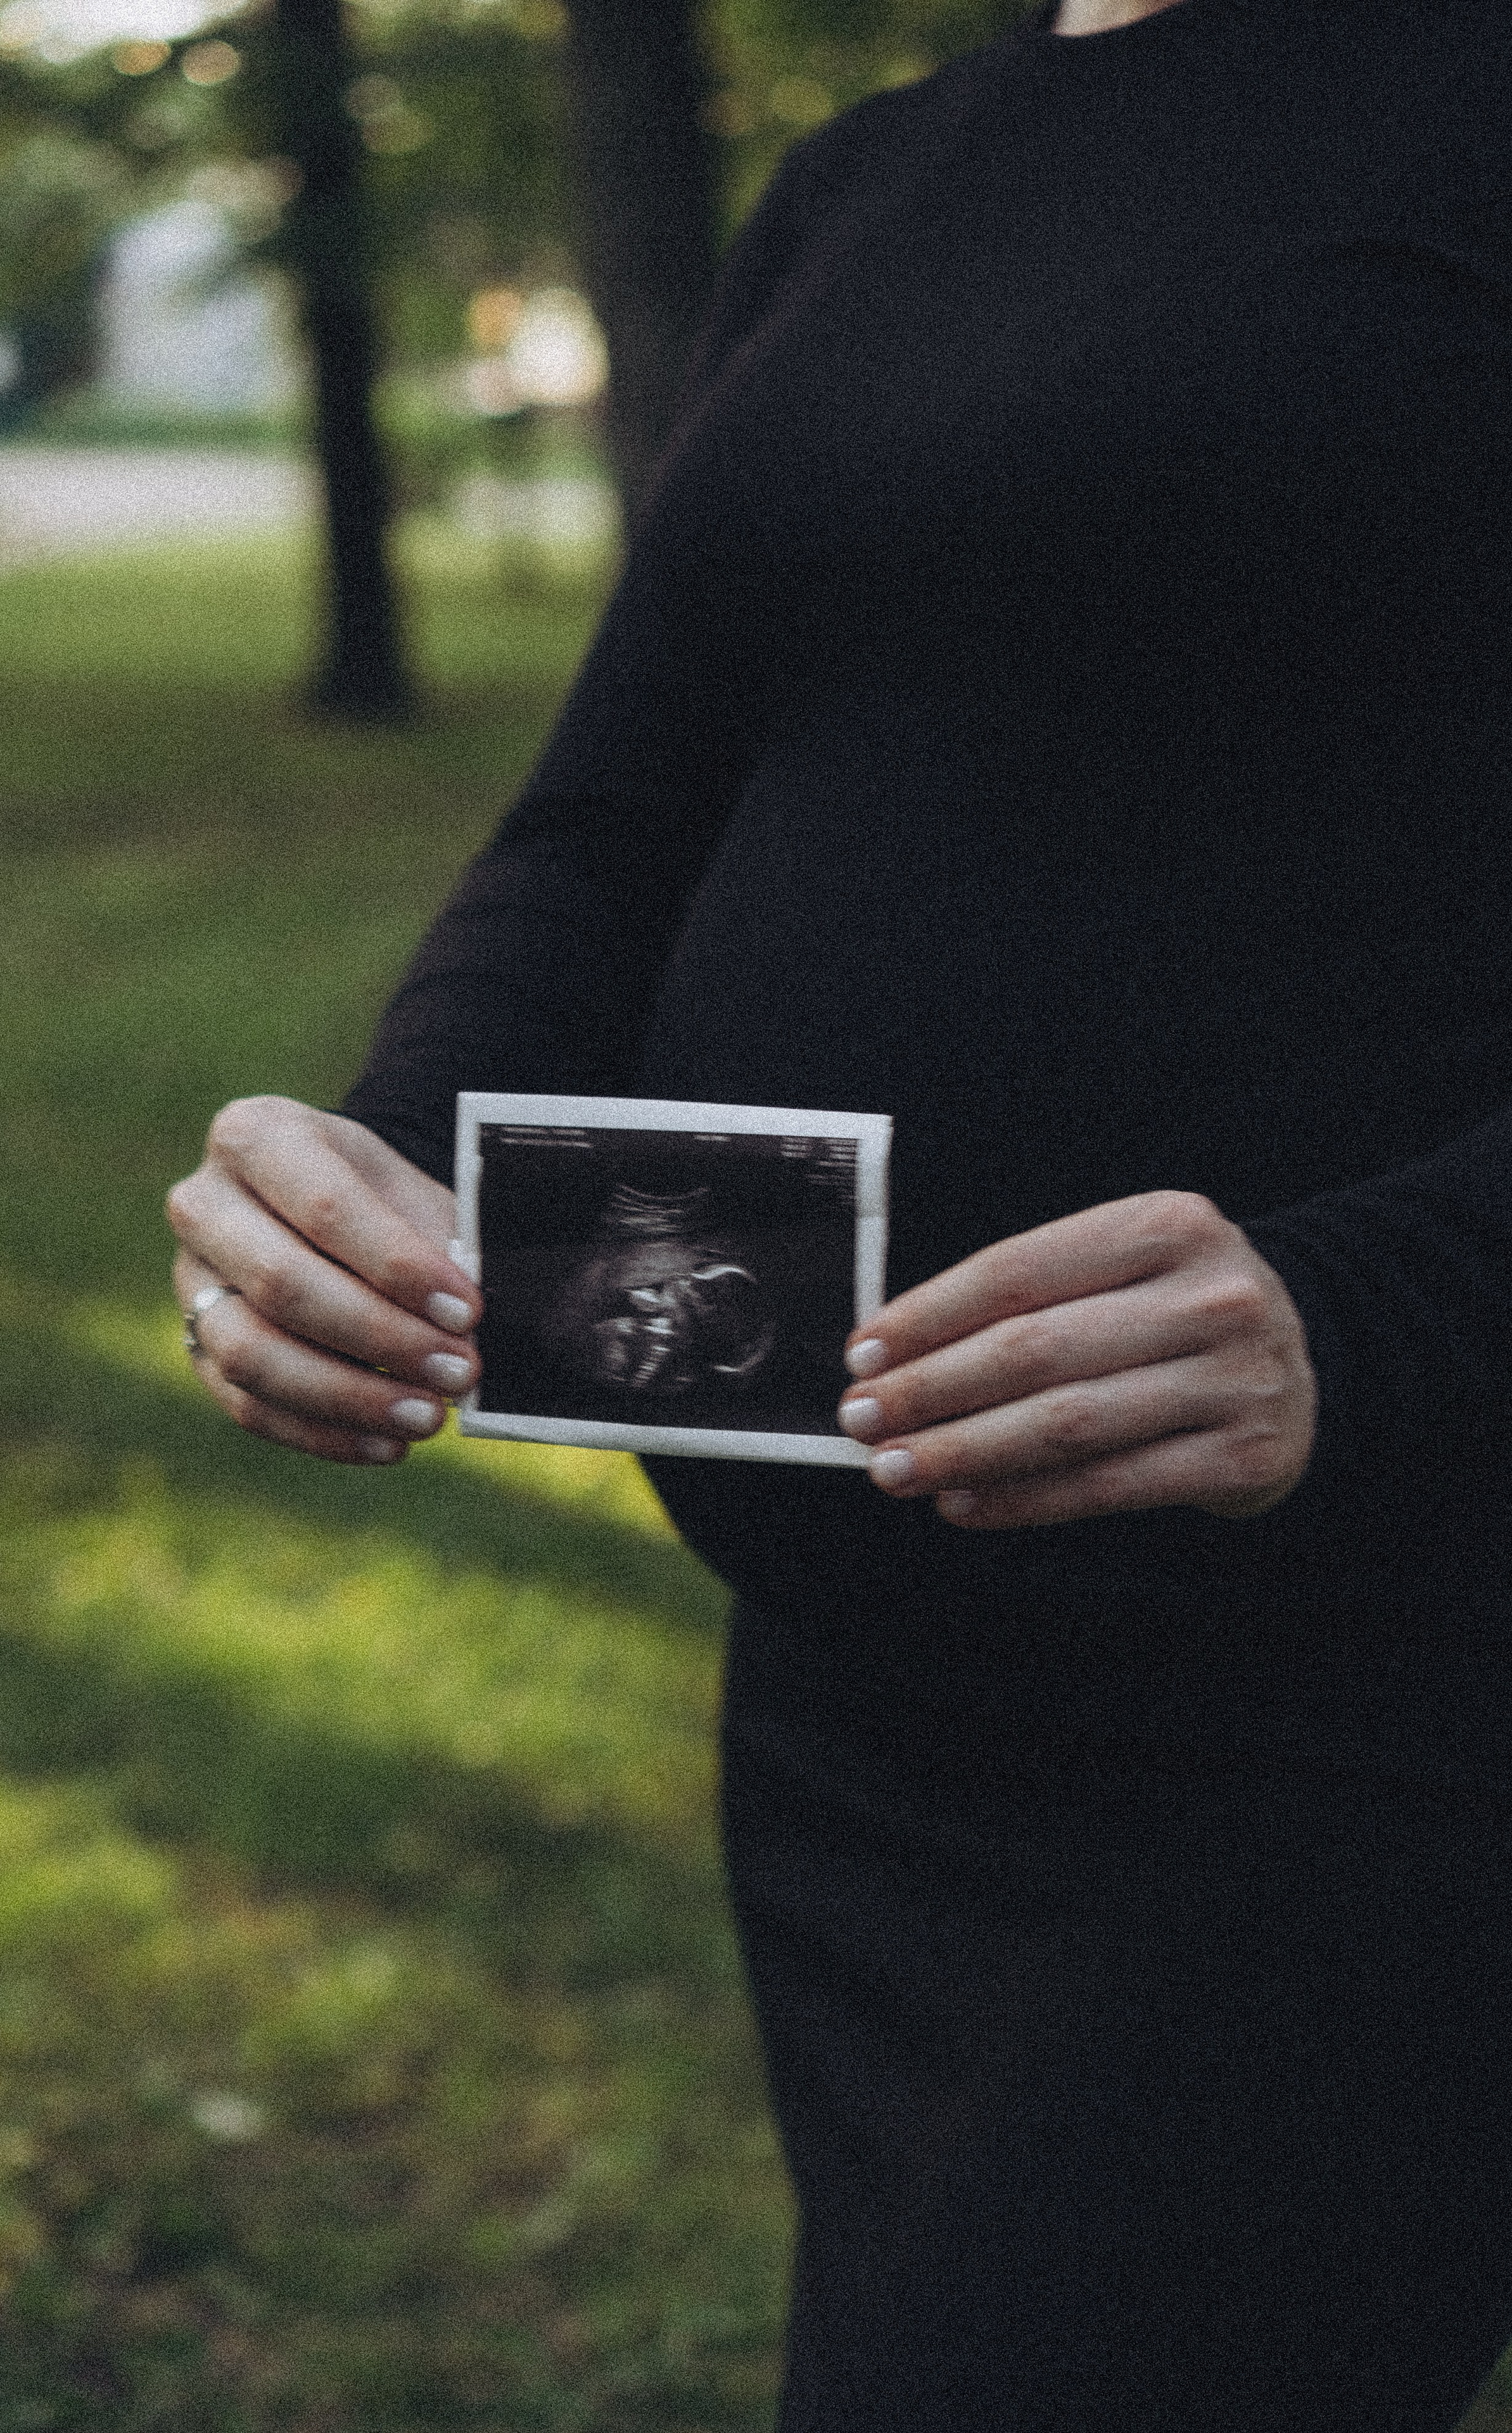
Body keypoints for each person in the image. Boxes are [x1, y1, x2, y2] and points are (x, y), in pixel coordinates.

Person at [167, 0, 1512, 2421]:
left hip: (1361, 1709)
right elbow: (618, 818)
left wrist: (1379, 1308)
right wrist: (381, 1172)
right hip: (870, 1709)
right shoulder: (883, 174)